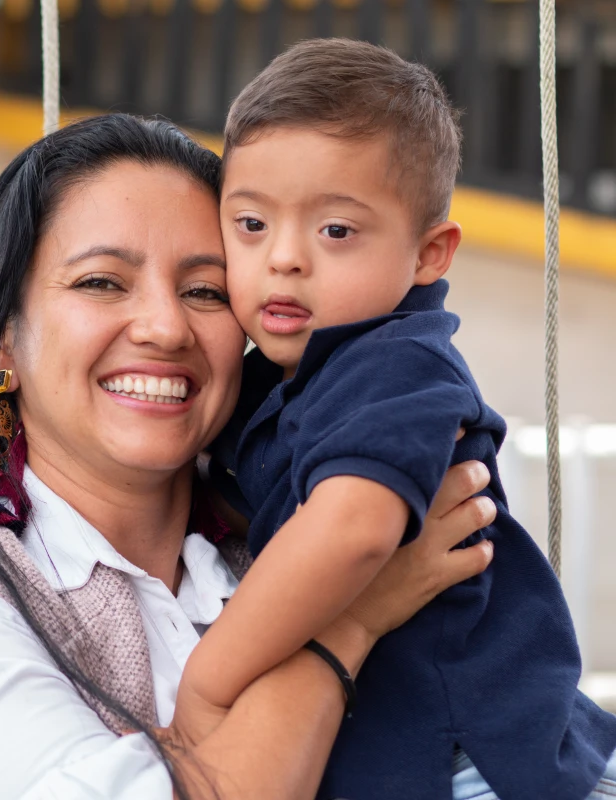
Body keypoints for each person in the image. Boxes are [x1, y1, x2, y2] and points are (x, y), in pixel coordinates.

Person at [0, 113, 495, 799]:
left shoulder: (302, 543)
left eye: (205, 291)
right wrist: (344, 628)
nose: (165, 326)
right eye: (101, 282)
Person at [186, 38, 616, 800]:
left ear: (428, 254)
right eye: (250, 225)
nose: (284, 258)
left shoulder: (399, 365)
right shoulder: (271, 380)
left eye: (336, 231)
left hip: (474, 757)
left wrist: (210, 682)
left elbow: (352, 530)